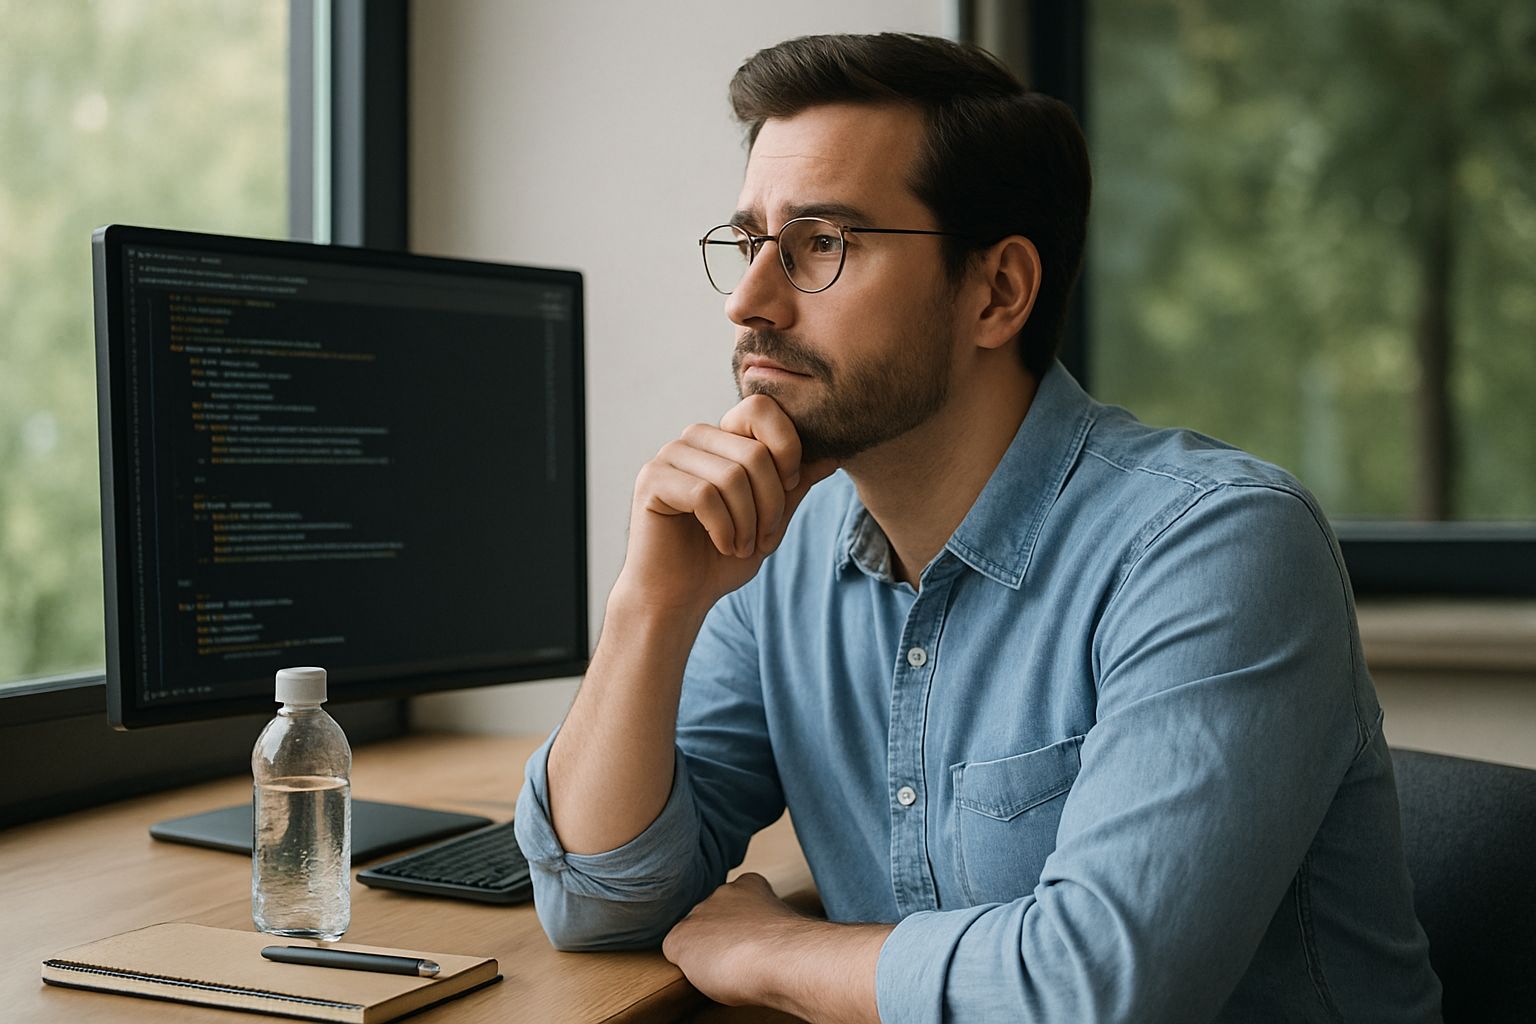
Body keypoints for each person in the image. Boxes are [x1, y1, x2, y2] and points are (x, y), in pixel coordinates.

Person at [514, 32, 1442, 1024]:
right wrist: (649, 604)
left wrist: (776, 951)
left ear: (997, 291)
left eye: (822, 244)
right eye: (749, 243)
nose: (749, 300)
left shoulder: (1218, 547)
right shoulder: (784, 557)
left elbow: (1095, 990)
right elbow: (598, 899)